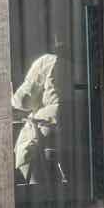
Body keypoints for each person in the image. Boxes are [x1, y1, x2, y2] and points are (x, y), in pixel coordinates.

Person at [12, 40, 67, 184]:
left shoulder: (47, 61)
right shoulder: (84, 63)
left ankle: (35, 189)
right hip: (75, 128)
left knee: (25, 148)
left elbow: (24, 100)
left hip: (49, 126)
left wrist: (11, 99)